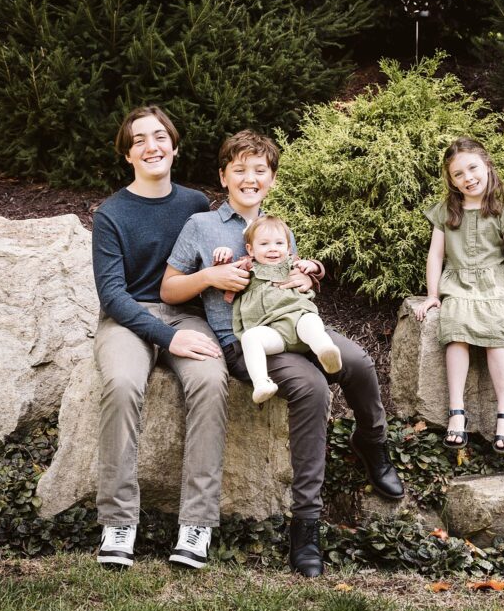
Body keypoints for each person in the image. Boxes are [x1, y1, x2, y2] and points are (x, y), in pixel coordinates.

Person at [161, 130, 404, 578]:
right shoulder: (202, 226)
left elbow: (292, 277)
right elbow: (169, 288)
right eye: (240, 170)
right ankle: (306, 525)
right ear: (223, 176)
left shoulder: (277, 227)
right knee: (311, 389)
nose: (249, 178)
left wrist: (308, 276)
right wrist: (211, 276)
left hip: (295, 326)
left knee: (360, 363)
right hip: (246, 340)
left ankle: (372, 443)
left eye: (260, 170)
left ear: (271, 179)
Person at [91, 105, 229, 571]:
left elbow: (227, 248)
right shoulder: (111, 214)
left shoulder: (194, 203)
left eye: (159, 137)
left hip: (187, 315)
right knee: (124, 384)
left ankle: (197, 525)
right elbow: (112, 295)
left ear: (175, 145)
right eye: (139, 141)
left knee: (211, 381)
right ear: (128, 155)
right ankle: (118, 522)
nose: (151, 146)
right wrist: (165, 341)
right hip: (129, 319)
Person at [413, 137, 504, 453]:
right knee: (455, 332)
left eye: (473, 168)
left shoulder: (503, 213)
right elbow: (436, 256)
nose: (468, 178)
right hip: (458, 284)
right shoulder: (445, 212)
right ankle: (456, 411)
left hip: (494, 284)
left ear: (487, 166)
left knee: (496, 336)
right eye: (458, 174)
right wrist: (432, 295)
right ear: (451, 181)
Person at [211, 215, 343, 404]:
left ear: (288, 248)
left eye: (279, 243)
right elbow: (224, 279)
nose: (273, 248)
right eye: (264, 244)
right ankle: (262, 383)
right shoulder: (247, 268)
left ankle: (325, 350)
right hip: (273, 333)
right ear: (250, 249)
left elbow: (318, 271)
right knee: (250, 338)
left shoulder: (292, 264)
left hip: (299, 322)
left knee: (312, 321)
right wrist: (222, 259)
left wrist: (312, 265)